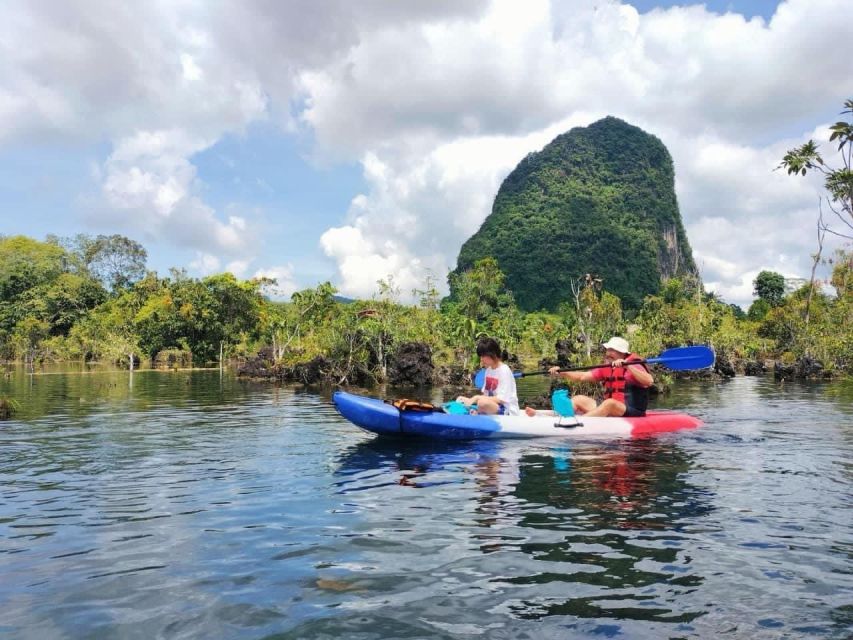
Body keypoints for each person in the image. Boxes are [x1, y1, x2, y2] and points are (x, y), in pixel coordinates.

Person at [544, 336, 653, 418]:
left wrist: (628, 367)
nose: (608, 353)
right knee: (579, 399)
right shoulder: (608, 367)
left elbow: (649, 381)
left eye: (612, 350)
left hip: (632, 410)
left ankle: (580, 423)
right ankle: (557, 418)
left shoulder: (634, 364)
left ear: (622, 353)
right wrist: (562, 372)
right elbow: (582, 376)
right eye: (608, 350)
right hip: (612, 408)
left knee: (609, 404)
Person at [456, 337, 520, 416]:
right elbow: (486, 396)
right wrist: (470, 400)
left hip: (507, 410)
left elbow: (501, 399)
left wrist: (476, 398)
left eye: (483, 356)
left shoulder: (504, 370)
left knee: (482, 403)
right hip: (493, 407)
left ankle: (477, 414)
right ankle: (477, 413)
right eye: (481, 356)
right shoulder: (488, 371)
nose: (481, 359)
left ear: (492, 354)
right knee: (460, 399)